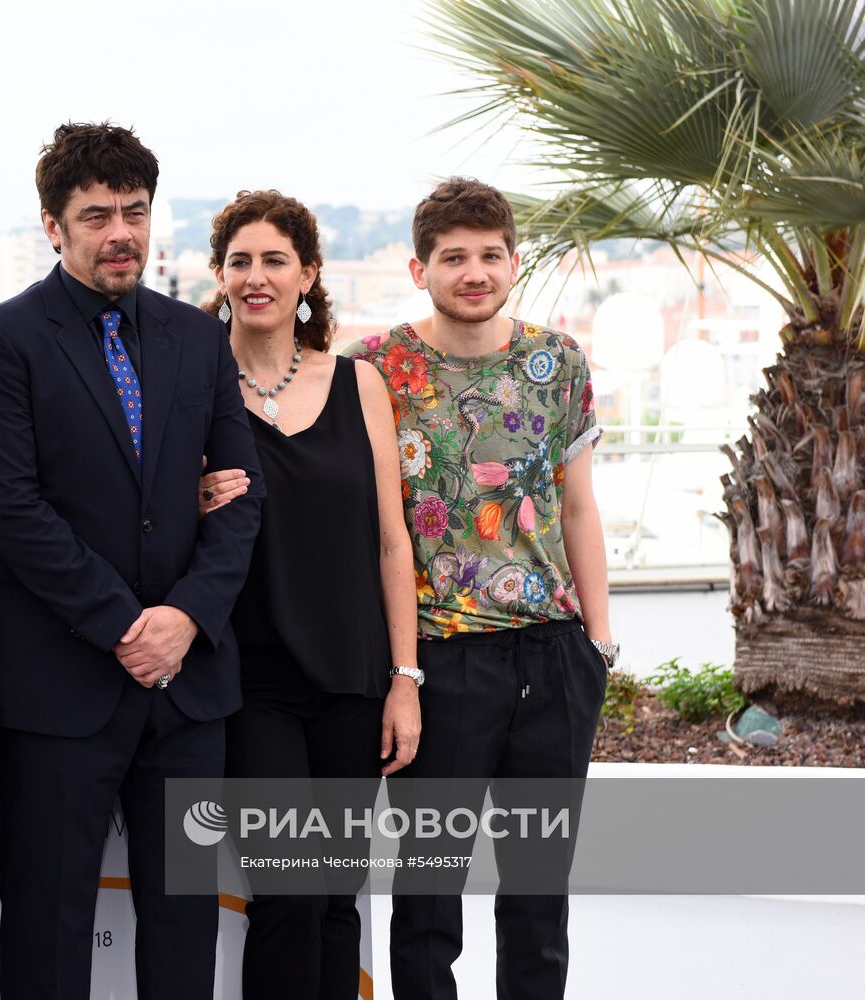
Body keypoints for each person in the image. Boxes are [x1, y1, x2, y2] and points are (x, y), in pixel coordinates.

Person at [0, 122, 265, 1000]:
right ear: (52, 226)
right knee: (48, 935)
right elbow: (9, 509)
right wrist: (128, 626)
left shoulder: (197, 337)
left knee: (185, 932)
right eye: (96, 216)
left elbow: (241, 497)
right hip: (59, 691)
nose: (120, 232)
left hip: (188, 694)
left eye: (134, 211)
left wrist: (185, 618)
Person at [345, 178, 614, 1000]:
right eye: (453, 257)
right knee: (428, 897)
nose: (473, 272)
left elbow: (578, 506)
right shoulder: (375, 367)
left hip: (552, 654)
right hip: (439, 657)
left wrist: (598, 646)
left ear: (512, 262)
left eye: (489, 255)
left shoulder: (557, 361)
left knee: (538, 893)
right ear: (418, 268)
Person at [198, 190, 422, 1000]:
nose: (256, 277)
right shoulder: (195, 388)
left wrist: (404, 679)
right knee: (288, 892)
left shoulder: (359, 384)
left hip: (353, 678)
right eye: (239, 262)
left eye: (274, 260)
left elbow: (391, 541)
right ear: (220, 276)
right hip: (250, 682)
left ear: (308, 273)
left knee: (335, 898)